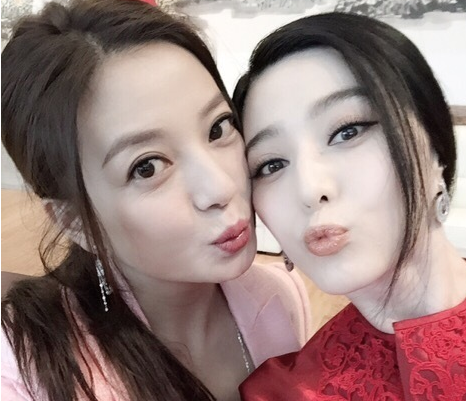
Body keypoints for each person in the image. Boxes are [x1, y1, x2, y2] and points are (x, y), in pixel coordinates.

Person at [0, 1, 312, 400]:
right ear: (74, 221)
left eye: (219, 128)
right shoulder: (26, 369)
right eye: (147, 167)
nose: (220, 188)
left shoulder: (281, 297)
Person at [233, 12, 466, 400]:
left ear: (433, 144)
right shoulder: (285, 393)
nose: (310, 189)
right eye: (271, 165)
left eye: (347, 131)